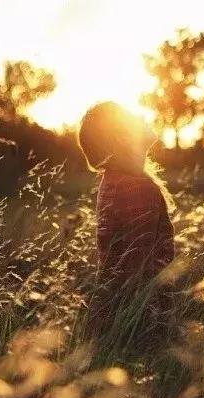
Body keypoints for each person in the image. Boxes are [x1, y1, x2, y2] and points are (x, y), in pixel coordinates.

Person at [78, 101, 175, 341]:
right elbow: (139, 272)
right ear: (121, 138)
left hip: (116, 316)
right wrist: (155, 330)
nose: (141, 116)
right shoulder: (136, 188)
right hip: (135, 325)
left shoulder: (115, 180)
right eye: (132, 117)